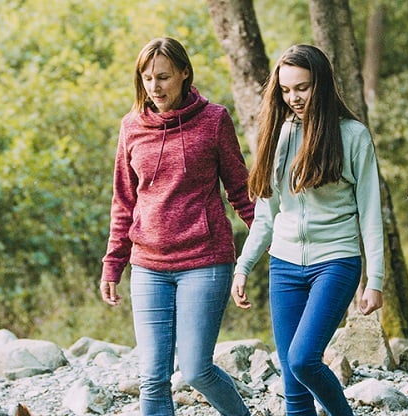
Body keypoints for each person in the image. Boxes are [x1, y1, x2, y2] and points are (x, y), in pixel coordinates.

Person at [100, 37, 255, 416]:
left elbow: (240, 189)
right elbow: (124, 200)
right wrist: (113, 263)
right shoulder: (131, 127)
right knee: (152, 378)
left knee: (196, 369)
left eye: (164, 77)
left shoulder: (214, 120)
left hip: (204, 260)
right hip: (148, 265)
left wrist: (266, 240)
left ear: (185, 74)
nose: (155, 86)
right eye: (148, 78)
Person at [233, 44, 384, 416]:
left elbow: (370, 214)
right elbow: (266, 213)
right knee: (292, 382)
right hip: (283, 265)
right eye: (286, 90)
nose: (293, 98)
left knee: (302, 359)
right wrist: (243, 265)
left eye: (302, 87)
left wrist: (376, 278)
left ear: (322, 84)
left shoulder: (352, 136)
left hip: (335, 261)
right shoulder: (277, 134)